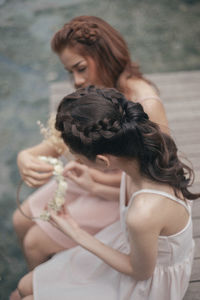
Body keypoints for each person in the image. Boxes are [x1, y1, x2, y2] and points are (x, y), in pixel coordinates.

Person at [12, 16, 168, 272]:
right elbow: (58, 142)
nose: (75, 80)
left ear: (105, 55)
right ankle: (44, 278)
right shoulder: (94, 92)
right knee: (19, 220)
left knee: (33, 243)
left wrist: (95, 185)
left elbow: (156, 179)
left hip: (121, 195)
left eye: (80, 68)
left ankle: (39, 285)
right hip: (86, 178)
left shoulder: (146, 103)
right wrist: (25, 156)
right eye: (70, 72)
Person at [17, 86, 199, 300]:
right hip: (137, 245)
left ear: (103, 161)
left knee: (27, 295)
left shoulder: (143, 213)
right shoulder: (142, 156)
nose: (77, 163)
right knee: (24, 285)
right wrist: (92, 186)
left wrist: (75, 232)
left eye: (79, 159)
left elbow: (141, 272)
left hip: (147, 279)